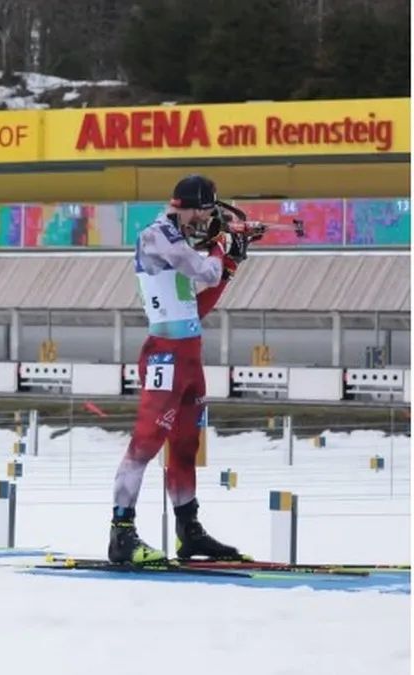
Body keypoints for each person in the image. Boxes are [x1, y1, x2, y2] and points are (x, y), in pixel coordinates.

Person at [108, 174, 249, 563]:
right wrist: (223, 249)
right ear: (190, 205)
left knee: (185, 447)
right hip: (165, 355)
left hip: (188, 353)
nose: (208, 219)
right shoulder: (159, 236)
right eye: (206, 211)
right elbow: (205, 273)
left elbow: (196, 307)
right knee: (146, 444)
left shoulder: (179, 241)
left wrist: (232, 260)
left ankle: (189, 530)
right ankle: (121, 532)